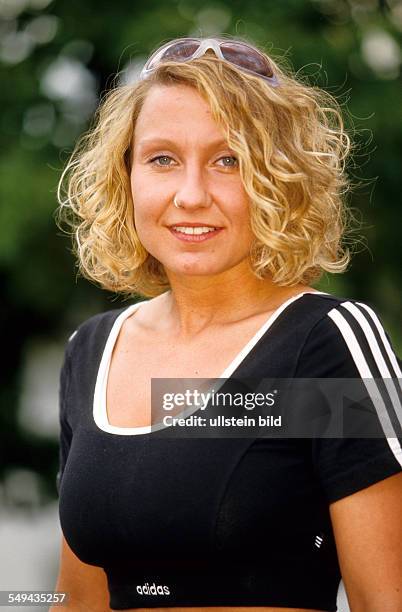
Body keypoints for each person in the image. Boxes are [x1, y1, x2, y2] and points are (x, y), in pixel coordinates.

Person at [52, 36, 402, 612]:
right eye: (162, 159)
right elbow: (78, 600)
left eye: (228, 161)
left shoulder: (330, 342)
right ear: (127, 175)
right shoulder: (91, 351)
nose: (191, 196)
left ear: (279, 179)